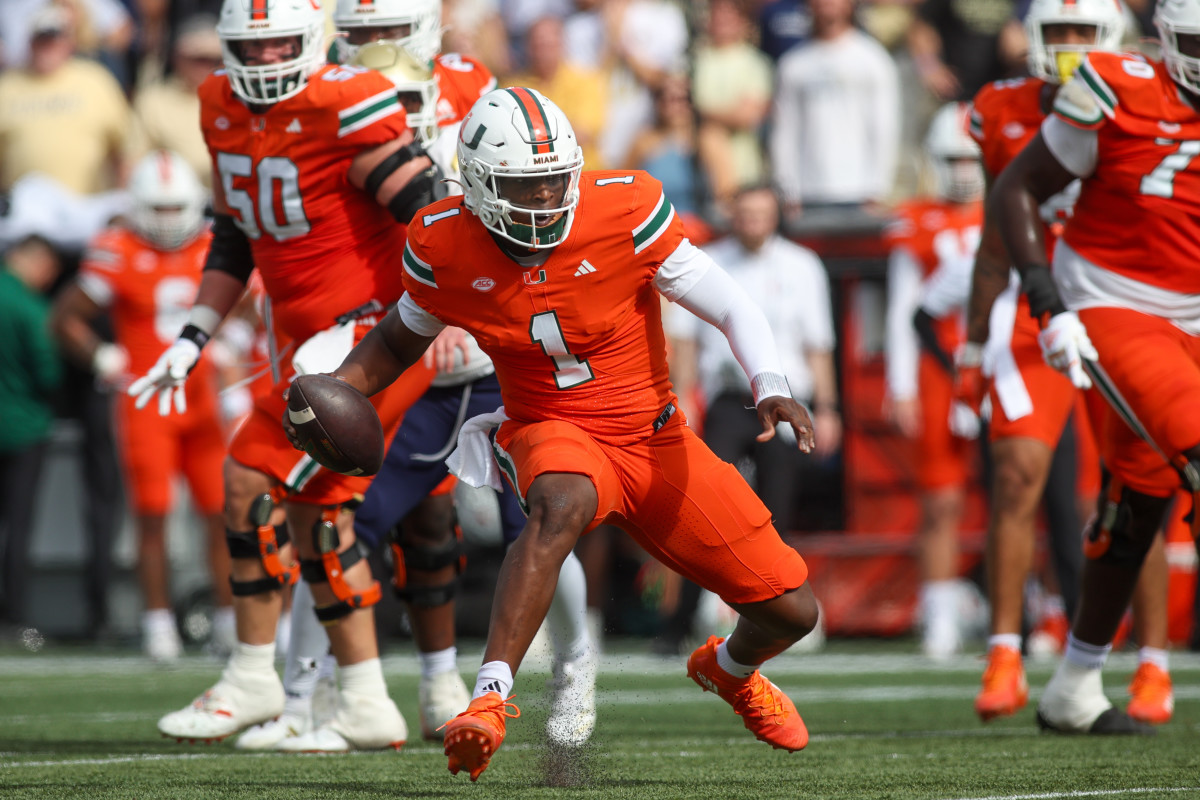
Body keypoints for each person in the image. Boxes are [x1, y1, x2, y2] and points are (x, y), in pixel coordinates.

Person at [301, 86, 821, 782]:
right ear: (481, 185)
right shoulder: (443, 240)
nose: (545, 199)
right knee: (561, 503)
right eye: (525, 185)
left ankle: (729, 670)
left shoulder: (623, 208)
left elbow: (729, 302)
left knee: (792, 609)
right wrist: (329, 394)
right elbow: (397, 343)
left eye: (554, 180)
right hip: (548, 424)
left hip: (652, 436)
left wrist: (772, 384)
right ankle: (488, 699)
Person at [237, 26, 595, 752]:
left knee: (542, 524)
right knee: (345, 518)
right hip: (420, 370)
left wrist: (480, 310)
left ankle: (575, 672)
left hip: (500, 368)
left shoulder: (485, 140)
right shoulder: (354, 146)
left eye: (401, 106)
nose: (389, 123)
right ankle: (309, 696)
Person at [128, 0, 440, 749]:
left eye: (279, 47)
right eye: (250, 47)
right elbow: (234, 236)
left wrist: (414, 318)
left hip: (373, 343)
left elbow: (434, 221)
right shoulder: (219, 107)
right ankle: (365, 698)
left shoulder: (346, 104)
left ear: (309, 43)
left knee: (244, 474)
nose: (265, 62)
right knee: (317, 517)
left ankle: (252, 674)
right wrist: (193, 335)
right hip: (305, 344)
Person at [986, 0, 1200, 734]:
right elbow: (1017, 187)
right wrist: (1046, 301)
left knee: (1137, 499)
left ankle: (1075, 682)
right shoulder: (1120, 87)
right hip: (1115, 303)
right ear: (1167, 41)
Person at [50, 151, 233, 664]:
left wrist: (236, 342)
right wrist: (102, 355)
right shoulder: (117, 248)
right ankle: (157, 623)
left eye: (179, 208)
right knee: (152, 514)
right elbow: (66, 318)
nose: (171, 219)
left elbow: (250, 305)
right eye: (160, 207)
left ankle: (226, 618)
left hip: (204, 397)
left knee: (219, 512)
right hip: (146, 400)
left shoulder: (217, 246)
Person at [883, 101, 985, 660]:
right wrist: (900, 386)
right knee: (941, 499)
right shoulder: (919, 218)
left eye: (971, 157)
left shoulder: (1010, 211)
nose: (963, 169)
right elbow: (904, 308)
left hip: (1003, 364)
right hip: (938, 369)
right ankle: (941, 612)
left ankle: (1043, 612)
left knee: (1022, 492)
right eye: (952, 157)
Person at [770, 0, 900, 213]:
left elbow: (885, 126)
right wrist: (787, 189)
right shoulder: (793, 64)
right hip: (807, 193)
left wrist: (879, 187)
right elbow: (785, 130)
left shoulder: (873, 59)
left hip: (860, 191)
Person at [0, 235, 62, 639]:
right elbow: (48, 372)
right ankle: (12, 614)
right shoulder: (31, 308)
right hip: (23, 427)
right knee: (18, 526)